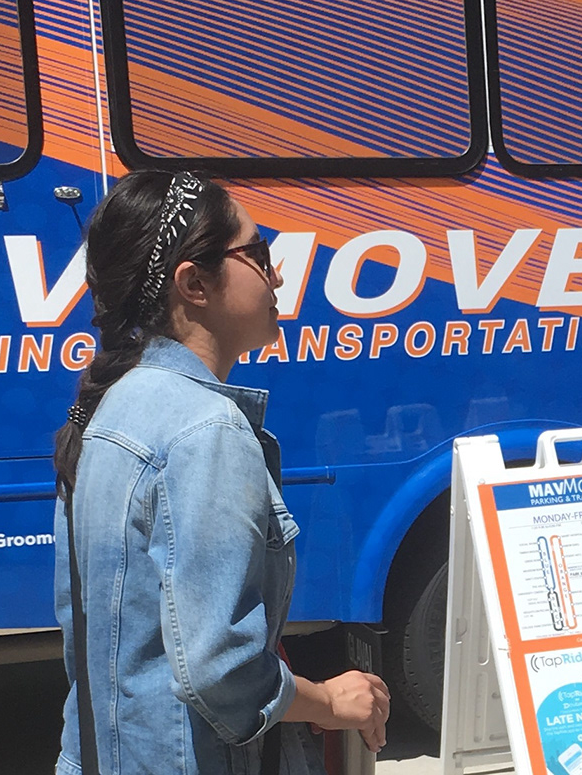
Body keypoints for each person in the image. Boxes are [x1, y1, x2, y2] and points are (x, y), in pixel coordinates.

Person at [52, 170, 390, 775]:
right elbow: (223, 672)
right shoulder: (207, 430)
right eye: (258, 254)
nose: (278, 274)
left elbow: (83, 638)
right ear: (194, 283)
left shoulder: (109, 409)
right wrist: (331, 699)